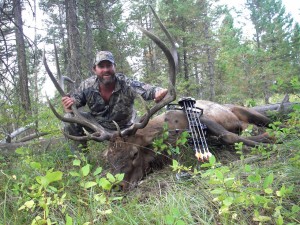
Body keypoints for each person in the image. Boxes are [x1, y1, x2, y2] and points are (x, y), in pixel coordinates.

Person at [62, 51, 168, 151]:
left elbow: (147, 89)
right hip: (98, 126)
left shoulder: (126, 83)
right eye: (101, 66)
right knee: (69, 118)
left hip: (125, 128)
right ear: (94, 69)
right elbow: (75, 102)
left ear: (114, 67)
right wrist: (69, 105)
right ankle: (81, 159)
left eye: (109, 65)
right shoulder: (87, 85)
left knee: (132, 150)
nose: (106, 69)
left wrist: (158, 91)